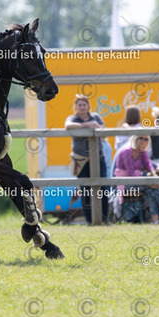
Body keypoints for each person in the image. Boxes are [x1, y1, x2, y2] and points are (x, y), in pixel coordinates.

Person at [65, 94, 109, 223]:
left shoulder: (96, 117)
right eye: (79, 105)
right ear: (76, 107)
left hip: (98, 158)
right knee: (85, 190)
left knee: (102, 189)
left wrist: (96, 126)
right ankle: (90, 220)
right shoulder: (72, 118)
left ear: (88, 106)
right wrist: (87, 125)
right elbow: (67, 125)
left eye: (84, 104)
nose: (82, 107)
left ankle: (104, 219)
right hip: (80, 160)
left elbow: (103, 131)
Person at [115, 135, 159, 224]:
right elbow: (131, 173)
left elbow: (149, 164)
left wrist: (155, 175)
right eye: (141, 138)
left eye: (146, 139)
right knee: (153, 188)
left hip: (138, 181)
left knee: (153, 190)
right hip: (126, 183)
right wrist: (149, 184)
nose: (143, 141)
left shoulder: (142, 151)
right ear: (135, 138)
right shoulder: (127, 151)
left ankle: (157, 220)